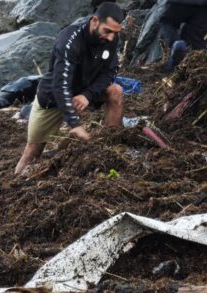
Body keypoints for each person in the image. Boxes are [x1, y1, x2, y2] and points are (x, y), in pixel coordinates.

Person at [14, 2, 125, 176]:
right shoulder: (69, 40)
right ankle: (15, 181)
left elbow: (110, 72)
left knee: (115, 91)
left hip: (83, 92)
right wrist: (75, 124)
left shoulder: (111, 39)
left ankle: (113, 146)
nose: (111, 38)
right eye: (107, 31)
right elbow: (60, 85)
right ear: (95, 21)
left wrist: (87, 95)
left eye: (115, 33)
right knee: (33, 151)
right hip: (53, 96)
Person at [160, 0, 207, 72]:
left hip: (180, 3)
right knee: (196, 37)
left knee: (167, 22)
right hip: (206, 6)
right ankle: (202, 67)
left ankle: (176, 44)